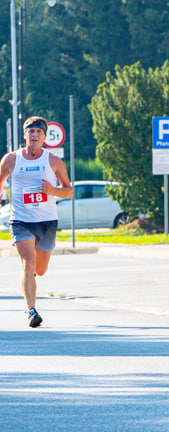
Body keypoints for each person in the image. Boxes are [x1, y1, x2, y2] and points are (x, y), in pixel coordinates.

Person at [0, 116, 73, 328]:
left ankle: (31, 277)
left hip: (47, 221)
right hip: (21, 220)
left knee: (39, 269)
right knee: (27, 263)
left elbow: (69, 191)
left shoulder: (53, 162)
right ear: (24, 135)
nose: (34, 135)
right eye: (30, 131)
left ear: (45, 137)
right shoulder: (11, 159)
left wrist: (52, 190)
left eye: (39, 132)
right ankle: (32, 311)